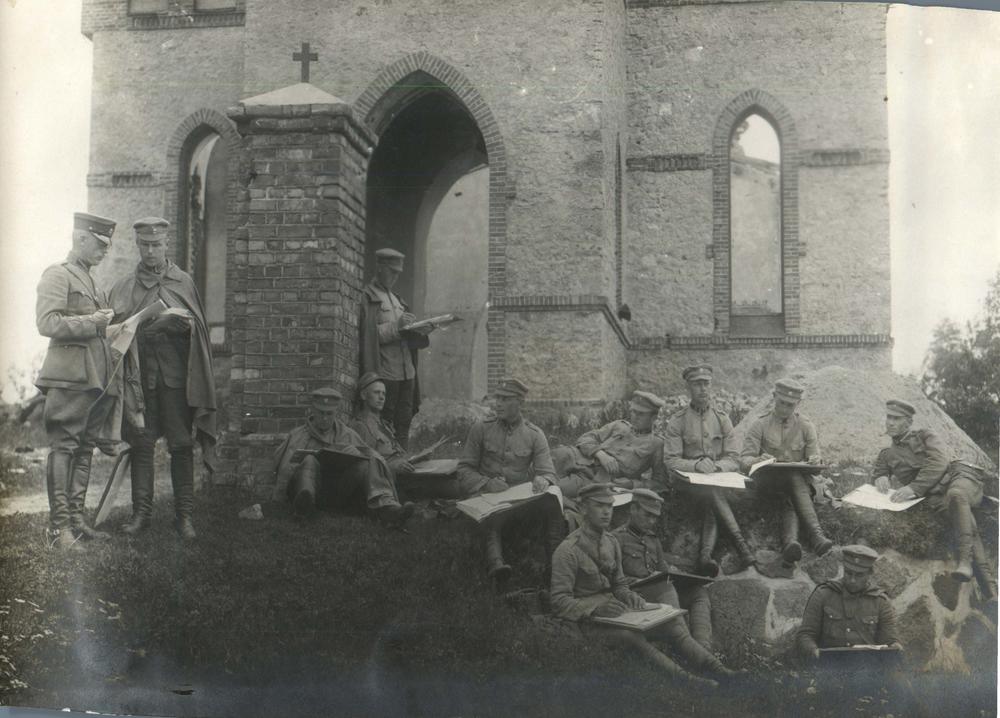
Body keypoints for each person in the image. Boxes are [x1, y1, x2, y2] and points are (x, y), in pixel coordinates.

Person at [550, 484, 734, 688]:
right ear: (583, 508)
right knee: (629, 636)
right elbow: (558, 601)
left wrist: (630, 597)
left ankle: (719, 669)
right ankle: (687, 680)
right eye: (599, 505)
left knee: (672, 625)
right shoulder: (567, 551)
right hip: (587, 624)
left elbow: (619, 585)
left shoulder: (610, 543)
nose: (606, 512)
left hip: (618, 615)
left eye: (609, 506)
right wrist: (595, 609)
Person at [109, 217, 217, 539]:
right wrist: (146, 326)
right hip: (140, 381)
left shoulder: (182, 282)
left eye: (156, 244)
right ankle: (141, 515)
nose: (151, 251)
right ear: (137, 245)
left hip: (175, 381)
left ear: (166, 244)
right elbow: (115, 335)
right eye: (145, 245)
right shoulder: (125, 286)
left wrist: (181, 325)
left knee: (181, 444)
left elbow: (199, 332)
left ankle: (184, 517)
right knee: (142, 444)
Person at [35, 212, 119, 550]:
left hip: (95, 377)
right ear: (81, 238)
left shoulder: (92, 281)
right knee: (65, 446)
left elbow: (95, 328)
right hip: (69, 377)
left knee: (85, 447)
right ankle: (59, 530)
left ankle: (76, 520)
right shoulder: (58, 274)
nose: (105, 251)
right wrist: (92, 322)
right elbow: (47, 323)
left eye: (107, 246)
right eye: (100, 244)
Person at [874, 399, 997, 597]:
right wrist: (880, 477)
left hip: (958, 476)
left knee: (957, 495)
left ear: (908, 422)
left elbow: (939, 462)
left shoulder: (925, 435)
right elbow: (879, 471)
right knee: (962, 517)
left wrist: (913, 488)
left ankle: (965, 562)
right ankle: (990, 588)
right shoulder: (887, 454)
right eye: (889, 417)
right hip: (935, 494)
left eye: (896, 418)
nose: (890, 422)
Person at [612, 489, 736, 679]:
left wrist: (676, 576)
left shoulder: (652, 540)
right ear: (633, 509)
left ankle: (703, 648)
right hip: (638, 599)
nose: (652, 521)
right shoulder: (616, 539)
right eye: (647, 515)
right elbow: (615, 580)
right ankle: (708, 664)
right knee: (666, 588)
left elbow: (662, 570)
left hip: (661, 594)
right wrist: (639, 581)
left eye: (655, 517)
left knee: (698, 592)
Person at [457, 378, 563, 588]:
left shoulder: (534, 435)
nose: (498, 404)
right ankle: (497, 566)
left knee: (552, 500)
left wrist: (543, 479)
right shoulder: (481, 428)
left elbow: (548, 472)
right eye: (498, 398)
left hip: (518, 502)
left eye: (505, 399)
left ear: (520, 403)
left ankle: (556, 567)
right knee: (492, 513)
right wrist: (487, 483)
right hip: (485, 498)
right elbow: (464, 470)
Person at [272, 387, 414, 526]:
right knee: (309, 460)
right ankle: (305, 507)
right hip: (304, 488)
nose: (325, 418)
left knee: (366, 462)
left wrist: (357, 454)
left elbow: (374, 458)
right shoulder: (298, 435)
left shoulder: (347, 434)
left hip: (335, 491)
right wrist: (278, 499)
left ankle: (387, 509)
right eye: (321, 413)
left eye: (329, 414)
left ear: (336, 413)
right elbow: (285, 469)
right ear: (313, 410)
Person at [664, 365, 755, 574]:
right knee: (712, 491)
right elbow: (670, 460)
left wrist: (717, 466)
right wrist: (695, 465)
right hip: (687, 485)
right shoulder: (678, 421)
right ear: (688, 387)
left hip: (715, 481)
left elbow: (734, 457)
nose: (703, 389)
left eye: (706, 384)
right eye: (697, 384)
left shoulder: (722, 418)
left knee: (712, 493)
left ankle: (705, 557)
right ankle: (741, 546)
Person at [739, 378, 833, 565]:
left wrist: (815, 461)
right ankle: (816, 536)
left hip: (795, 487)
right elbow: (744, 460)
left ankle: (791, 544)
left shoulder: (806, 426)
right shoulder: (760, 424)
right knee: (793, 480)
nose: (785, 408)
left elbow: (815, 463)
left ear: (798, 403)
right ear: (774, 397)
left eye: (790, 405)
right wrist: (757, 460)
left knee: (792, 483)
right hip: (767, 485)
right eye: (781, 403)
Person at [358, 248, 432, 449]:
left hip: (407, 373)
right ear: (380, 268)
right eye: (392, 271)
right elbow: (368, 335)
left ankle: (402, 461)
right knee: (385, 423)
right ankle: (387, 461)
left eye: (398, 273)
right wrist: (397, 327)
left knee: (404, 422)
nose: (395, 277)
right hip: (386, 373)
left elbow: (406, 337)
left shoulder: (399, 300)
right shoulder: (368, 297)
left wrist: (421, 331)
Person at [550, 391, 667, 497]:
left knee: (555, 490)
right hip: (579, 457)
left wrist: (632, 484)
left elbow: (660, 483)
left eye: (640, 414)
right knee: (553, 458)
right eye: (633, 411)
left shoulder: (657, 444)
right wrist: (600, 454)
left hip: (596, 478)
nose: (635, 417)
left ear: (653, 417)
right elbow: (585, 438)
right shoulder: (619, 425)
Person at [796, 544, 902, 659]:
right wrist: (814, 651)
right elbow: (805, 634)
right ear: (843, 569)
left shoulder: (880, 602)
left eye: (859, 575)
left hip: (866, 665)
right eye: (848, 573)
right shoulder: (824, 594)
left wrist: (895, 646)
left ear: (870, 573)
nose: (852, 580)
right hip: (829, 663)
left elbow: (889, 640)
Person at [348, 372, 415, 478]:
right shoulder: (360, 426)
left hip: (402, 475)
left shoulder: (384, 425)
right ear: (363, 395)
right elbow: (364, 466)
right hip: (387, 481)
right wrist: (393, 467)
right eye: (377, 392)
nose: (381, 397)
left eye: (384, 394)